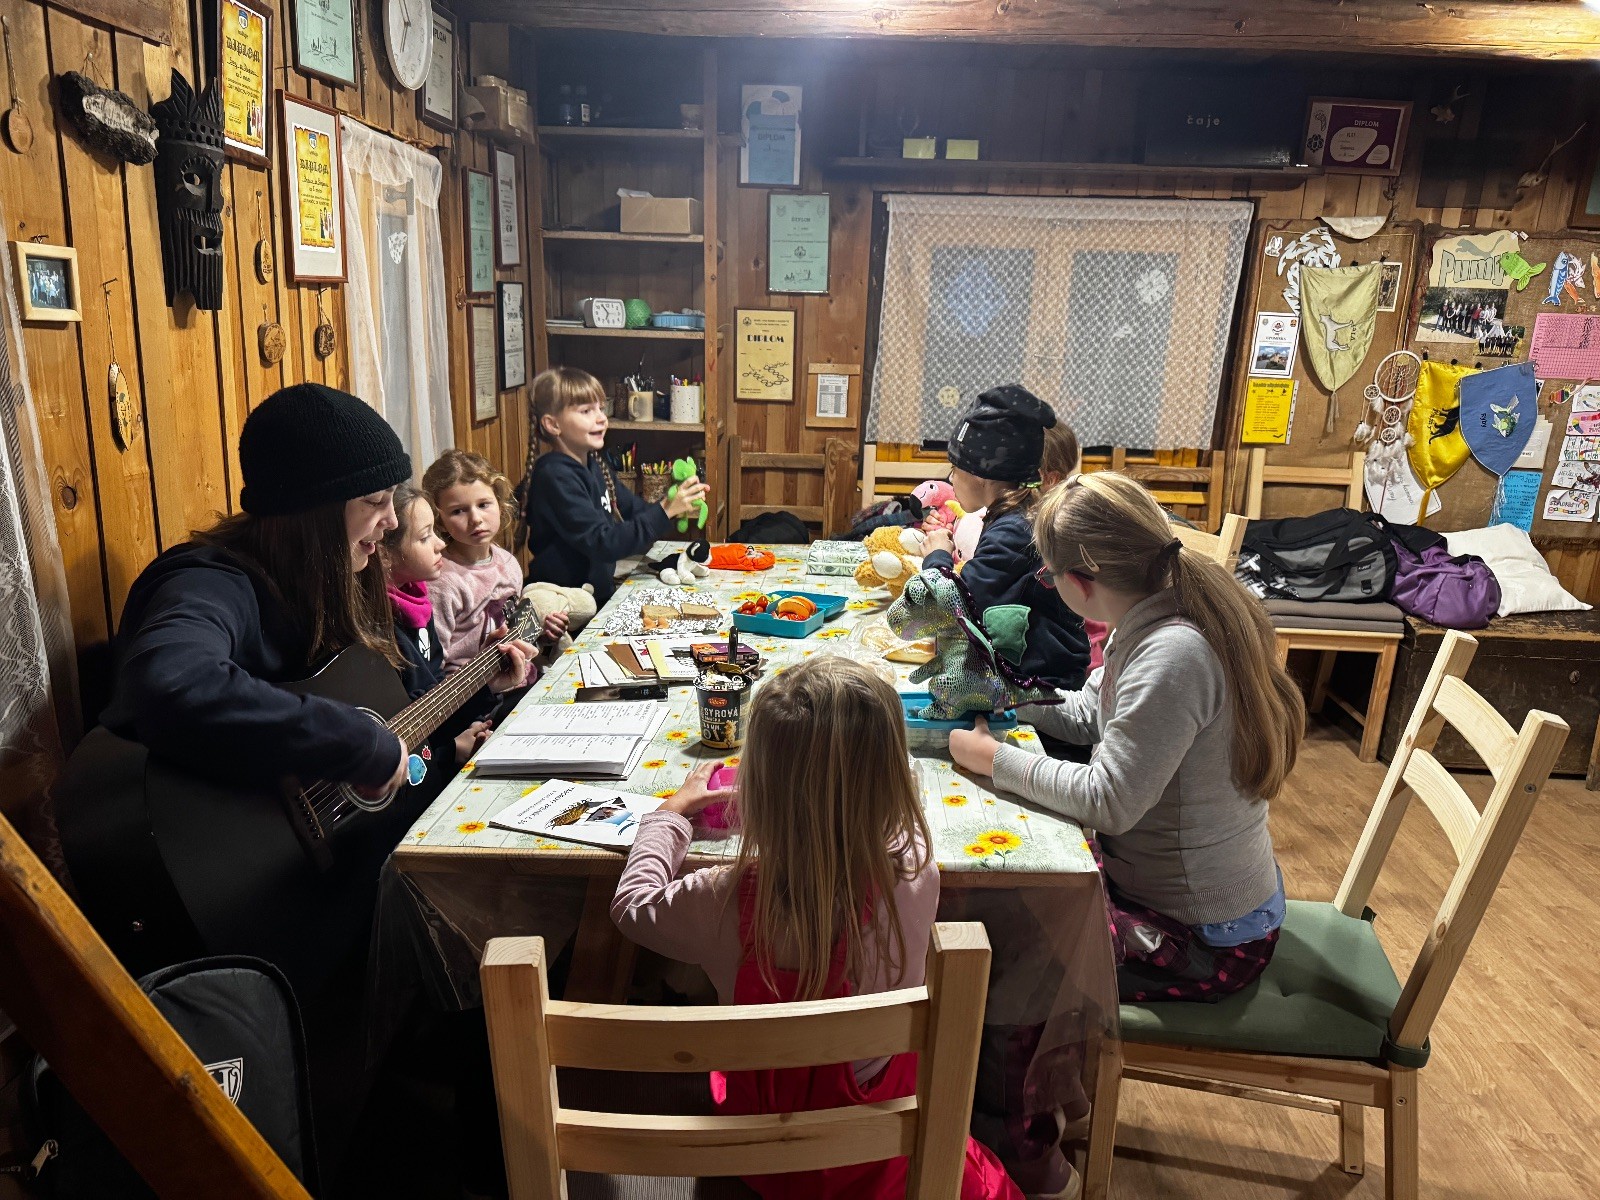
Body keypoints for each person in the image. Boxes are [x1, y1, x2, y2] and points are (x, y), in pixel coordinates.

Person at [611, 657, 1022, 1200]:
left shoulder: (722, 899)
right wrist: (799, 805)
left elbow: (631, 905)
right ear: (890, 778)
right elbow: (879, 817)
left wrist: (669, 816)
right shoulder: (915, 868)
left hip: (761, 1153)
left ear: (756, 788)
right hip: (880, 1148)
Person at [948, 471, 1305, 1004]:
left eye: (1047, 575)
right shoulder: (1147, 614)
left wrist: (994, 758)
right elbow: (1088, 714)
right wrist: (1008, 694)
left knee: (998, 966)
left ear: (1078, 581)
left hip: (1207, 937)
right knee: (1006, 906)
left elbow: (1108, 801)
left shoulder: (1173, 655)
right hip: (1178, 902)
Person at [921, 384, 1089, 692]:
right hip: (1035, 674)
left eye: (955, 468)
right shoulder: (1017, 516)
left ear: (979, 473)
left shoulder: (1014, 531)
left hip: (1042, 689)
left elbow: (950, 608)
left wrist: (937, 557)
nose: (950, 478)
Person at [380, 482, 528, 805]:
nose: (440, 544)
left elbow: (433, 701)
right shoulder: (381, 627)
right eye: (425, 537)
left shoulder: (418, 605)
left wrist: (486, 683)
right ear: (384, 554)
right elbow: (404, 727)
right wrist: (450, 752)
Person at [519, 366, 708, 605]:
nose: (601, 418)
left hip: (595, 595)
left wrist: (673, 503)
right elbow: (603, 543)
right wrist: (665, 511)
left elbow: (635, 509)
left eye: (600, 407)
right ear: (553, 425)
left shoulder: (594, 464)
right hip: (561, 604)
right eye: (586, 411)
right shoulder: (555, 475)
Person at [423, 448, 565, 675]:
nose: (475, 519)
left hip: (521, 676)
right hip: (476, 691)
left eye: (483, 505)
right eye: (458, 511)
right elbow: (434, 667)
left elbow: (515, 631)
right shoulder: (442, 582)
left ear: (499, 503)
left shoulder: (508, 562)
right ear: (439, 520)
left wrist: (543, 633)